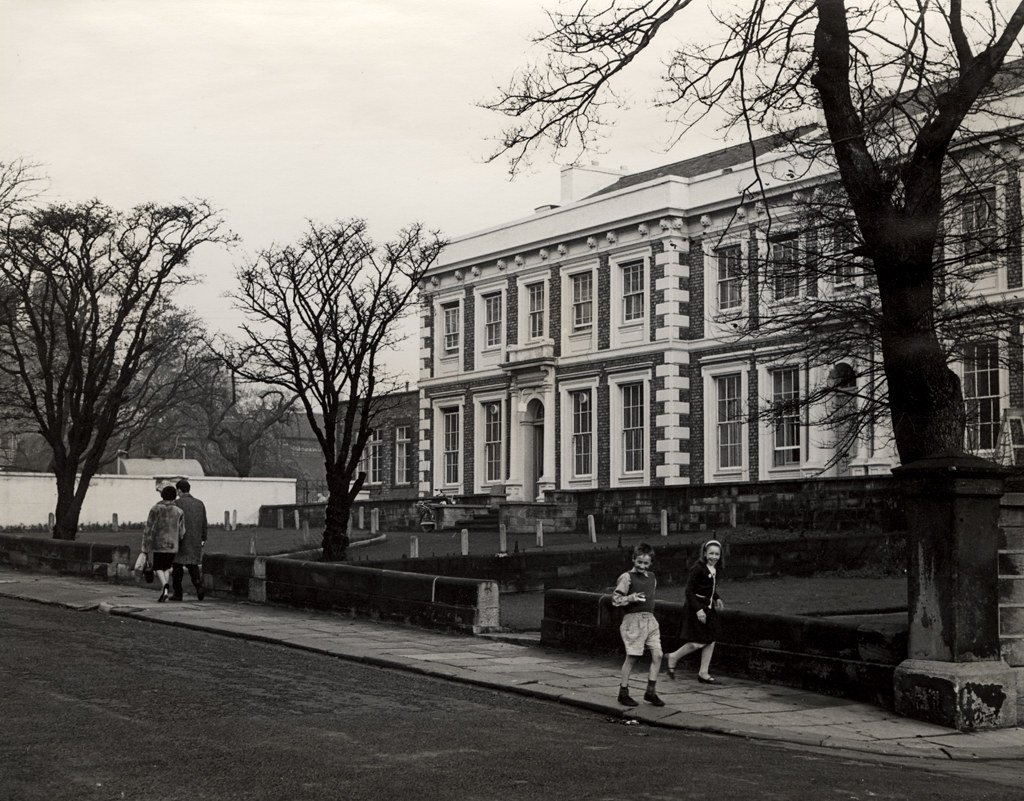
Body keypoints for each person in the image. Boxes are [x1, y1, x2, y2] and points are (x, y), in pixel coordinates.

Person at [611, 542, 664, 707]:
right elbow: (615, 599)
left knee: (658, 655)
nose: (642, 566)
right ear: (633, 559)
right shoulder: (626, 577)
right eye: (639, 562)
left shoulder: (652, 578)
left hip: (650, 620)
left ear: (651, 563)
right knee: (632, 656)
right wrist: (630, 598)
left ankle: (650, 691)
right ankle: (623, 691)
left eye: (646, 563)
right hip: (633, 620)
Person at [665, 539, 725, 684]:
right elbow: (689, 591)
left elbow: (707, 588)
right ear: (704, 553)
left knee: (711, 641)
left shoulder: (714, 569)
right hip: (697, 608)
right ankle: (673, 657)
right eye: (711, 553)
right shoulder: (698, 568)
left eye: (717, 554)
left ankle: (703, 673)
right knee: (698, 642)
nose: (714, 557)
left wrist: (716, 598)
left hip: (708, 607)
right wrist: (698, 610)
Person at [141, 485, 185, 603]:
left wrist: (145, 546)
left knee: (158, 567)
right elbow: (182, 530)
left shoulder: (156, 509)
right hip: (172, 544)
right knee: (166, 567)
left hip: (158, 542)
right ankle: (163, 591)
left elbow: (148, 528)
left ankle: (165, 585)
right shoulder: (179, 511)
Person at [171, 478, 208, 602]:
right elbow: (204, 522)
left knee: (177, 566)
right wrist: (203, 537)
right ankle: (199, 586)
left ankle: (178, 593)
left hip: (181, 539)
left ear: (180, 490)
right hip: (195, 538)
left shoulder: (176, 504)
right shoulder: (199, 503)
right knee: (193, 565)